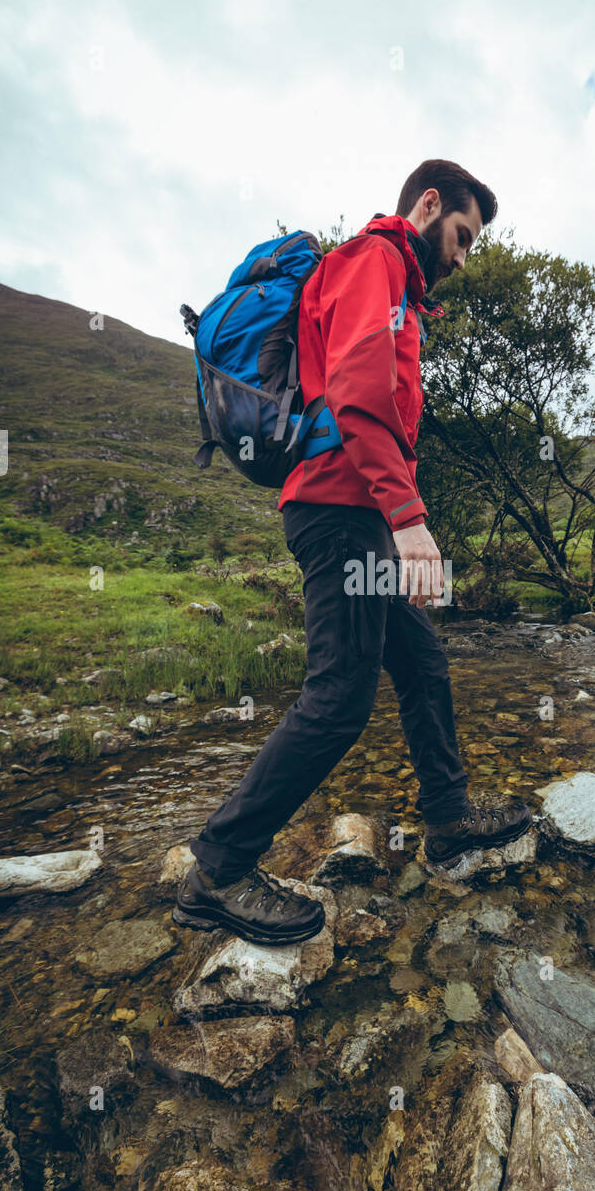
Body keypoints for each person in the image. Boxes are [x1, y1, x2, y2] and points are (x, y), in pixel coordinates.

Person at [174, 159, 531, 946]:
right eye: (464, 235)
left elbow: (376, 405)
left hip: (354, 511)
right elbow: (361, 393)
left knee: (422, 663)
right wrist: (409, 519)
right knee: (338, 697)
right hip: (338, 512)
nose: (465, 256)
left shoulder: (399, 288)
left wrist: (392, 514)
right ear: (429, 206)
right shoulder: (374, 263)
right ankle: (219, 871)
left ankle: (448, 821)